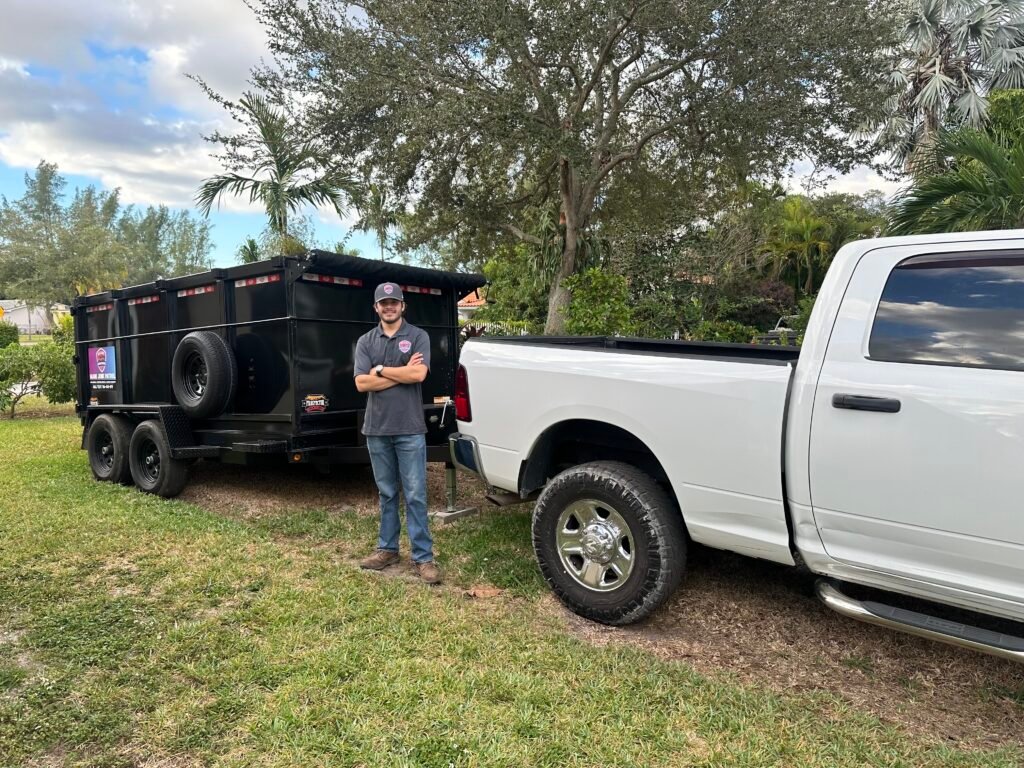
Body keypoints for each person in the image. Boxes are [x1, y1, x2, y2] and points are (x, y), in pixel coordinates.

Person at [353, 282, 441, 584]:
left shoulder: (418, 336)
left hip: (410, 428)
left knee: (416, 494)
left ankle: (423, 558)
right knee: (387, 493)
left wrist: (379, 370)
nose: (389, 307)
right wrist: (398, 372)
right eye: (383, 303)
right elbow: (361, 384)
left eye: (394, 302)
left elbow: (418, 374)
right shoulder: (366, 341)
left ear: (403, 306)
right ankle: (387, 549)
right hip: (376, 429)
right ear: (376, 308)